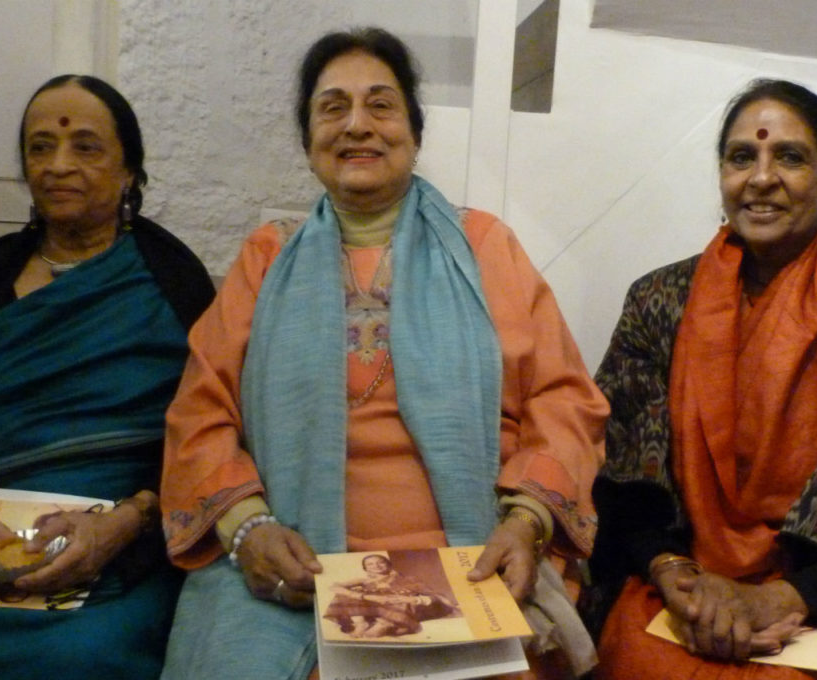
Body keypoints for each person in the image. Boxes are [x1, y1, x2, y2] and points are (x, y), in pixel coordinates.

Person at [160, 27, 607, 680]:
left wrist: (528, 521)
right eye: (333, 107)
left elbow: (564, 398)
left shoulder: (486, 249)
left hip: (469, 558)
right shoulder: (266, 259)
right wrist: (249, 529)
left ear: (414, 133)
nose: (357, 125)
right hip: (299, 569)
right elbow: (199, 413)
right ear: (310, 143)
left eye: (381, 104)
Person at [583, 79, 817, 680]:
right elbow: (622, 476)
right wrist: (668, 569)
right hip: (682, 584)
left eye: (788, 156)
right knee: (636, 656)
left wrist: (783, 597)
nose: (761, 178)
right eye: (742, 157)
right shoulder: (657, 302)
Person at [0, 74, 215, 679]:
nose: (58, 164)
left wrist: (130, 518)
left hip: (125, 541)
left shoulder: (171, 281)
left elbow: (211, 432)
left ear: (129, 171)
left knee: (83, 655)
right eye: (40, 147)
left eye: (85, 147)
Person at [323, 553, 457, 638]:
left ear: (389, 565)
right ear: (366, 569)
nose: (376, 566)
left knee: (399, 600)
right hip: (375, 607)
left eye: (380, 562)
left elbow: (434, 595)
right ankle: (360, 624)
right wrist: (366, 597)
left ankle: (383, 626)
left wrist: (414, 598)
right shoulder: (364, 581)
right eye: (370, 564)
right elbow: (334, 586)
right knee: (346, 595)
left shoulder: (409, 579)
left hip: (400, 606)